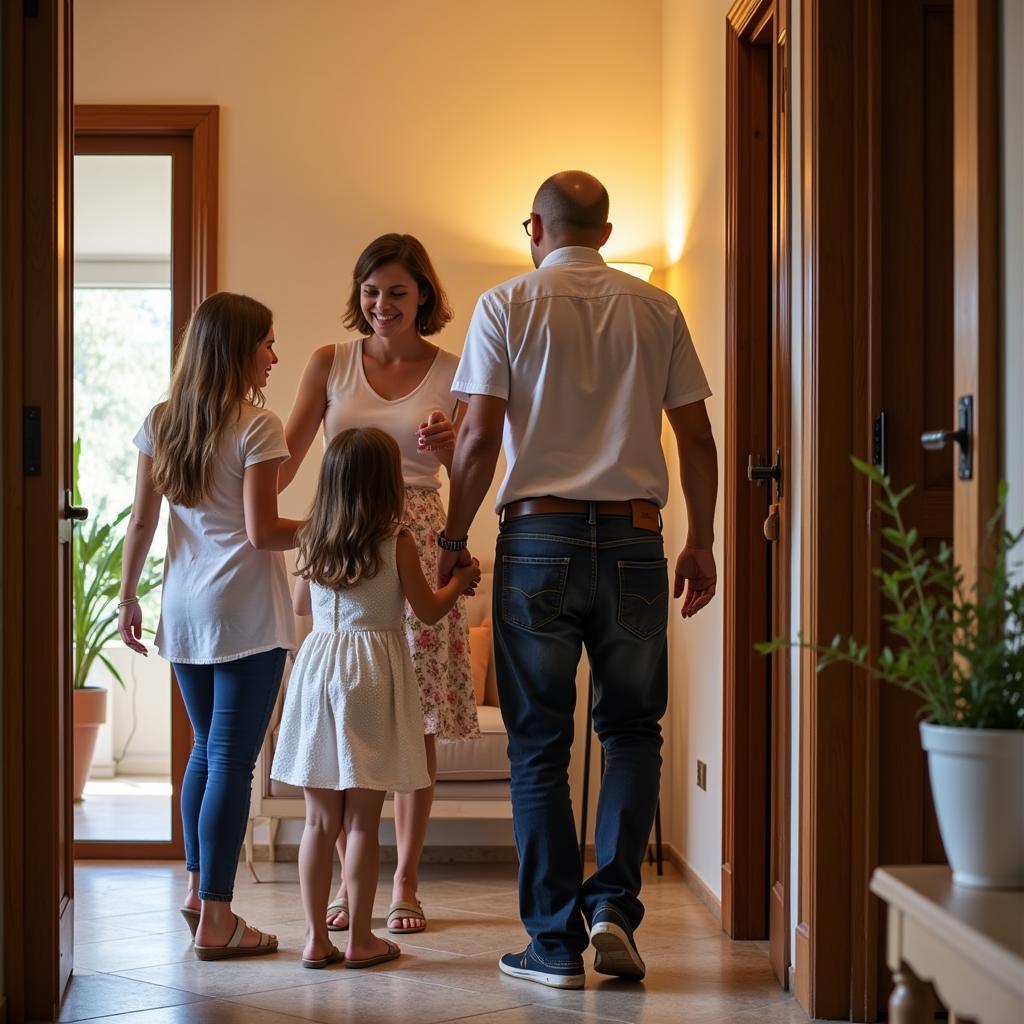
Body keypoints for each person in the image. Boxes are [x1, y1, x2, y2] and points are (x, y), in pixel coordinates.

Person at [438, 171, 719, 989]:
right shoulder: (655, 306)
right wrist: (700, 542)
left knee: (538, 747)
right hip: (636, 539)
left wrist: (454, 536)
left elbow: (480, 435)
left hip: (538, 539)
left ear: (535, 227)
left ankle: (554, 946)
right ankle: (613, 913)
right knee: (633, 731)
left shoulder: (506, 305)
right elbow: (695, 438)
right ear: (605, 229)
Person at [279, 233, 478, 935]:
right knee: (345, 715)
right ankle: (345, 886)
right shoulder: (330, 363)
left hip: (420, 539)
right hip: (342, 542)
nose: (382, 304)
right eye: (370, 291)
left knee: (416, 715)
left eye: (397, 291)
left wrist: (453, 456)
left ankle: (404, 883)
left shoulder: (457, 371)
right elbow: (282, 462)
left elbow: (483, 477)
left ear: (423, 293)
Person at [118, 291, 303, 960]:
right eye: (266, 343)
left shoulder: (162, 420)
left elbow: (140, 521)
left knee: (204, 748)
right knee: (229, 757)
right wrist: (339, 523)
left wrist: (127, 594)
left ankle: (199, 894)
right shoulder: (257, 425)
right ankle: (222, 920)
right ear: (236, 349)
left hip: (186, 608)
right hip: (246, 611)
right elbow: (264, 532)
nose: (274, 356)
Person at [271, 428, 481, 969]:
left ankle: (316, 940)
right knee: (363, 820)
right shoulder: (397, 539)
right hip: (371, 674)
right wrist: (462, 581)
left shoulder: (314, 536)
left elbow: (300, 604)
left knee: (320, 822)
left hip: (318, 671)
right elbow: (429, 611)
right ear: (388, 482)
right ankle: (361, 939)